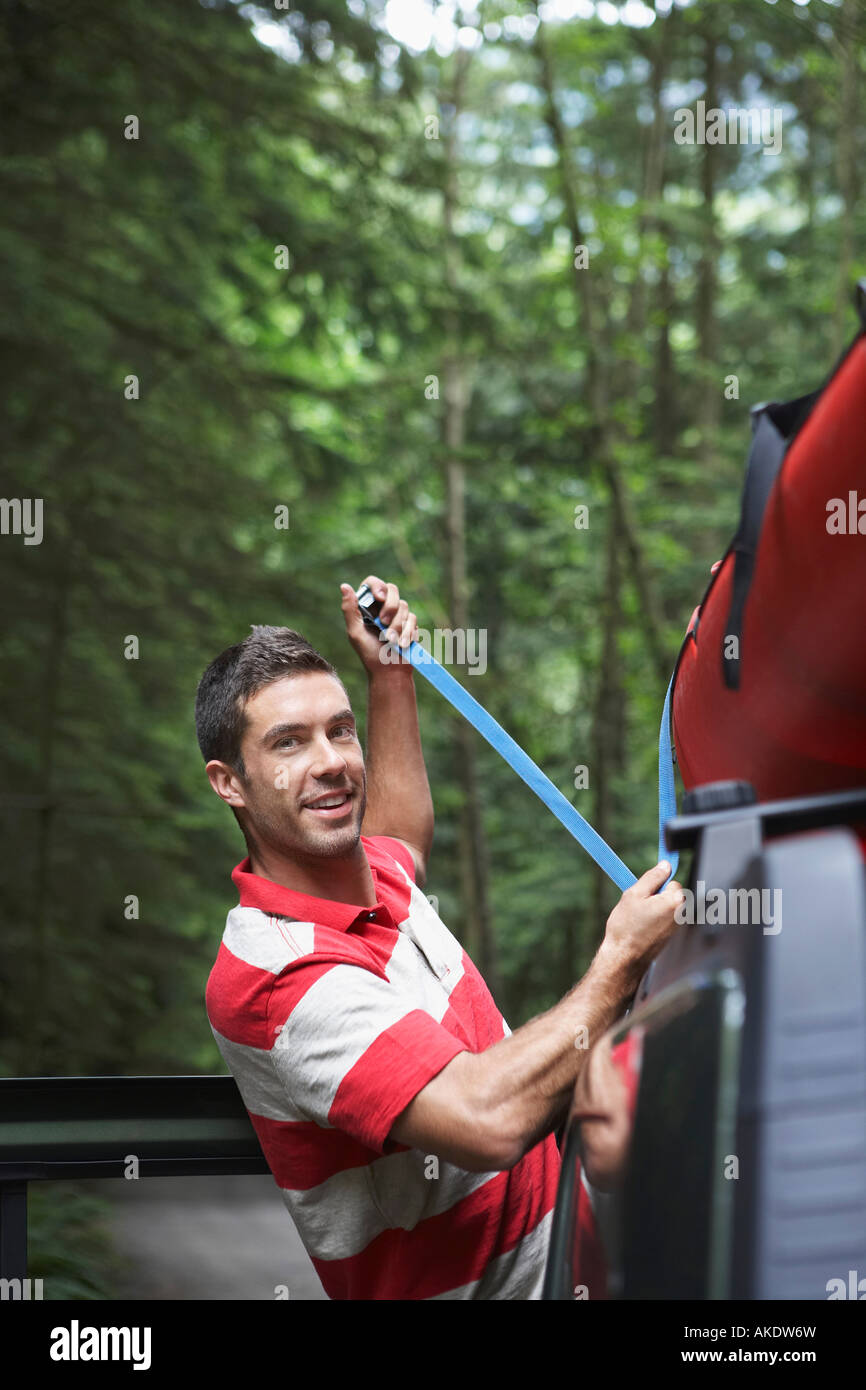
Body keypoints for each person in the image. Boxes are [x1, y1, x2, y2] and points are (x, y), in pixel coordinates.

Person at [196, 576, 684, 1300]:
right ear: (229, 783)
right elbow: (487, 1118)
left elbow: (399, 831)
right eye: (288, 744)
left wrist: (390, 677)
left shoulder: (376, 876)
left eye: (340, 729)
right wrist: (622, 956)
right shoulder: (272, 977)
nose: (330, 760)